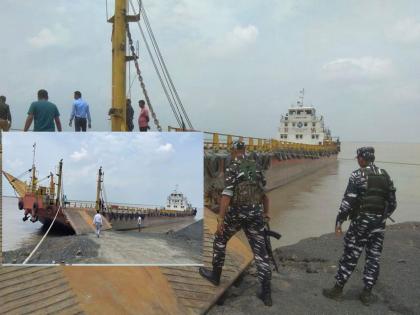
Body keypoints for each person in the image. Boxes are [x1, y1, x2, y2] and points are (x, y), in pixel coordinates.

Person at [198, 141, 273, 306]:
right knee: (261, 252)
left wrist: (221, 219)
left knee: (220, 239)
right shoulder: (256, 166)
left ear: (233, 151)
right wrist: (266, 214)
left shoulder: (233, 167)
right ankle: (266, 294)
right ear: (244, 150)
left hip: (237, 213)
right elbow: (265, 194)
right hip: (255, 215)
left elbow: (226, 195)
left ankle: (215, 276)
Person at [323, 147, 397, 305]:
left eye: (358, 157)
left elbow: (347, 202)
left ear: (362, 158)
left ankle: (337, 290)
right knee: (373, 258)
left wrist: (339, 222)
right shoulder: (385, 175)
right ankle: (367, 293)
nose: (357, 159)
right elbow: (392, 204)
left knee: (350, 255)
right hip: (379, 225)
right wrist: (380, 217)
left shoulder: (357, 175)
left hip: (360, 224)